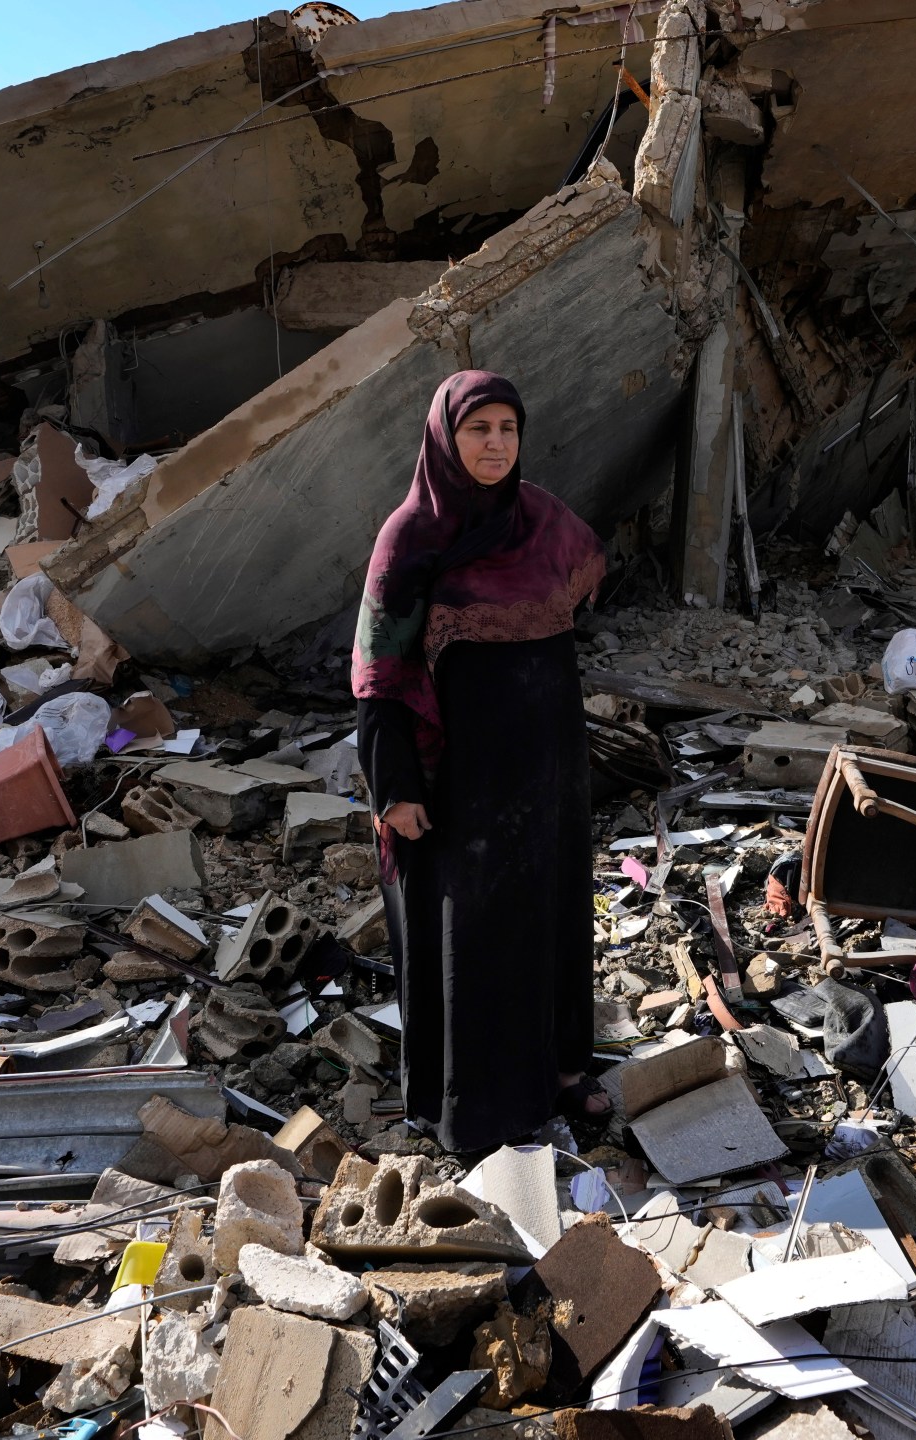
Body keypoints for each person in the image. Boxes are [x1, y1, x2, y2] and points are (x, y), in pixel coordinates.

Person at [352, 370, 611, 1153]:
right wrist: (393, 787)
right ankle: (474, 1108)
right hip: (459, 782)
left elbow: (588, 583)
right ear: (445, 438)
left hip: (548, 769)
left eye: (507, 429)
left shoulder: (542, 518)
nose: (496, 444)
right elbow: (378, 674)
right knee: (473, 934)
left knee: (553, 919)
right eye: (478, 430)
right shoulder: (412, 536)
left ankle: (563, 1072)